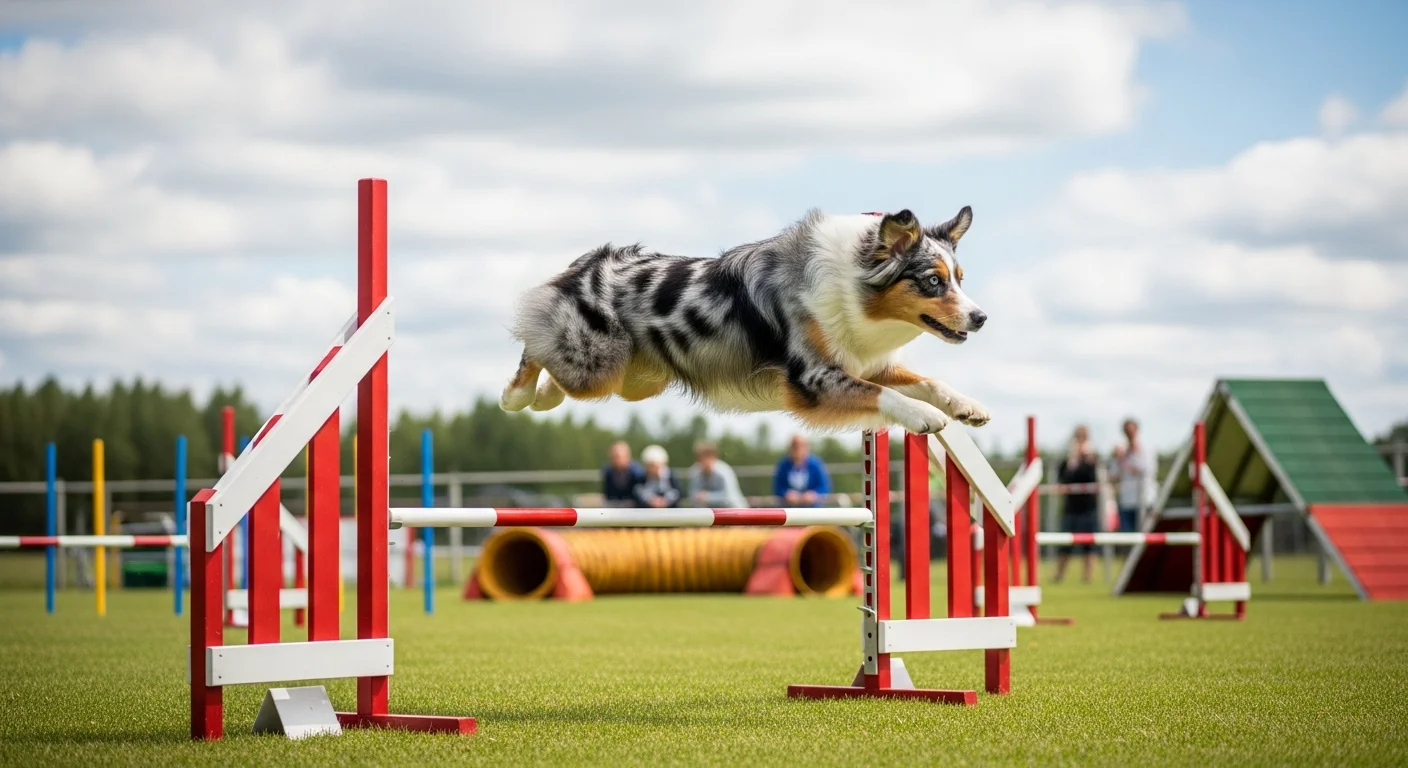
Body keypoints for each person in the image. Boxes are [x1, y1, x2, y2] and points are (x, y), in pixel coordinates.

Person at [1054, 425, 1099, 584]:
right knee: (1065, 543)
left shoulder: (1091, 460)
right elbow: (1062, 478)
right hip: (1071, 508)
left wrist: (1085, 459)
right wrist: (1072, 462)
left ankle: (1088, 577)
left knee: (1089, 544)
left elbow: (1090, 477)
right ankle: (1059, 575)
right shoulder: (1068, 460)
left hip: (1088, 507)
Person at [1109, 417, 1153, 533]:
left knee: (1144, 536)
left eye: (1131, 431)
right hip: (1126, 501)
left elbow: (1143, 470)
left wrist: (1126, 461)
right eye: (1127, 431)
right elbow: (1113, 475)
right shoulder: (1123, 453)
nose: (1129, 434)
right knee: (1127, 535)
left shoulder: (1146, 450)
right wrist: (1118, 458)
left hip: (1144, 501)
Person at [773, 435, 831, 507]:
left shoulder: (816, 464)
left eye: (801, 446)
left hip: (812, 507)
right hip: (789, 507)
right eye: (795, 446)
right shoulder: (783, 465)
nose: (798, 449)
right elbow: (777, 487)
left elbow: (825, 486)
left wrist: (814, 494)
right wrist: (786, 493)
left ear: (807, 447)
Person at [688, 441, 748, 508]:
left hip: (734, 509)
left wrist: (707, 497)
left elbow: (727, 496)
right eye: (702, 457)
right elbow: (692, 495)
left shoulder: (723, 471)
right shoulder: (695, 472)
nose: (705, 461)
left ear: (714, 456)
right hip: (710, 510)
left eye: (708, 456)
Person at [634, 444, 682, 509]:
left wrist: (665, 501)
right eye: (651, 466)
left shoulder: (671, 476)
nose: (654, 469)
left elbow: (677, 492)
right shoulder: (641, 478)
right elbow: (639, 492)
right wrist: (651, 500)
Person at [601, 441, 645, 507]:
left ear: (628, 457)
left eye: (618, 457)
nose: (616, 460)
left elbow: (641, 494)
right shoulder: (608, 471)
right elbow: (608, 495)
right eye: (613, 457)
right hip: (614, 504)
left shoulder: (637, 473)